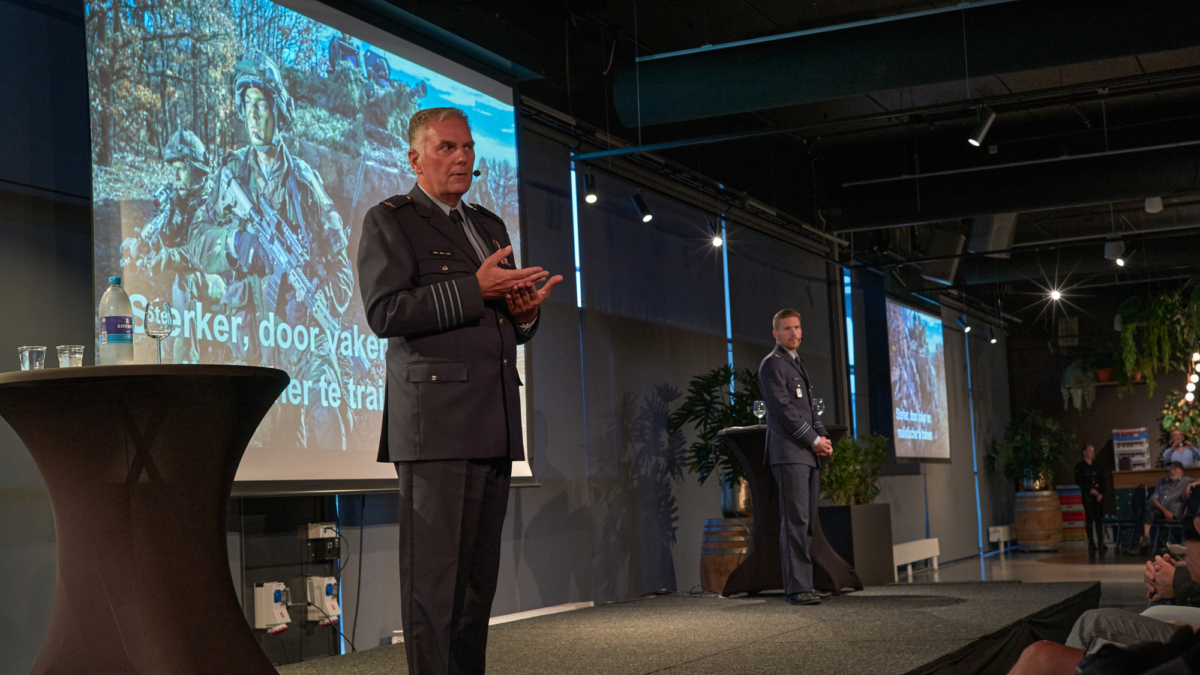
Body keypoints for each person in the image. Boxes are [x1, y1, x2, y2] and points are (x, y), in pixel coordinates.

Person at [356, 106, 561, 675]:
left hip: (492, 423)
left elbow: (508, 326)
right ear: (415, 159)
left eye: (468, 147)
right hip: (436, 428)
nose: (463, 157)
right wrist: (475, 289)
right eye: (447, 148)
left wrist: (525, 315)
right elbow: (385, 311)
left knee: (475, 591)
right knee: (433, 592)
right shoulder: (391, 219)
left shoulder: (491, 226)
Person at [189, 49, 354, 450]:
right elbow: (196, 238)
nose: (254, 115)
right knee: (260, 444)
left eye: (261, 105)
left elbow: (343, 272)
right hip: (251, 340)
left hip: (303, 339)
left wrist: (319, 291)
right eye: (247, 106)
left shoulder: (305, 182)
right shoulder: (231, 174)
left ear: (278, 109)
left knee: (326, 422)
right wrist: (235, 243)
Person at [757, 309, 833, 606]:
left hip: (806, 454)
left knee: (808, 521)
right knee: (796, 521)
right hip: (790, 453)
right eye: (787, 328)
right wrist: (813, 440)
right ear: (775, 333)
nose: (794, 333)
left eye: (798, 327)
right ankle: (797, 588)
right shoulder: (772, 365)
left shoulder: (796, 363)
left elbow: (810, 410)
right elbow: (784, 411)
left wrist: (823, 436)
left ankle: (807, 583)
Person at [1137, 462, 1189, 554]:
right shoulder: (1162, 482)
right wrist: (1164, 510)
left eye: (1175, 469)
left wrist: (1190, 485)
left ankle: (1143, 540)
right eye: (1171, 469)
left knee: (1144, 511)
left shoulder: (1185, 481)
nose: (1172, 471)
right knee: (1147, 507)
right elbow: (1154, 498)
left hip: (1173, 513)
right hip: (1161, 510)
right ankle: (1145, 539)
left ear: (1181, 472)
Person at [1075, 444, 1108, 552]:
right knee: (1089, 518)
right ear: (1084, 452)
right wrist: (1090, 490)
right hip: (1088, 495)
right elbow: (1079, 480)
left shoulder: (1097, 465)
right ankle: (1091, 542)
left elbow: (1102, 479)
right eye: (1090, 451)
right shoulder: (1080, 467)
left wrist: (1101, 493)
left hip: (1097, 495)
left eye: (1093, 451)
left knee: (1099, 518)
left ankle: (1101, 542)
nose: (1092, 453)